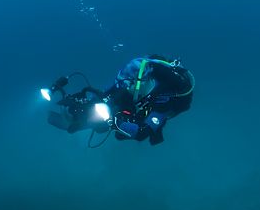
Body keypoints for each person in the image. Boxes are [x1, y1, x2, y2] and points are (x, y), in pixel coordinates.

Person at [46, 55, 194, 146]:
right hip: (136, 99)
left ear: (142, 82)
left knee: (116, 127)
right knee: (104, 107)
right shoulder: (132, 83)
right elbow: (107, 96)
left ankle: (87, 123)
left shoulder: (164, 99)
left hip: (146, 114)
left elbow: (142, 133)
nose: (124, 86)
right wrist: (84, 103)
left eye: (128, 83)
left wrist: (112, 121)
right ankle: (74, 121)